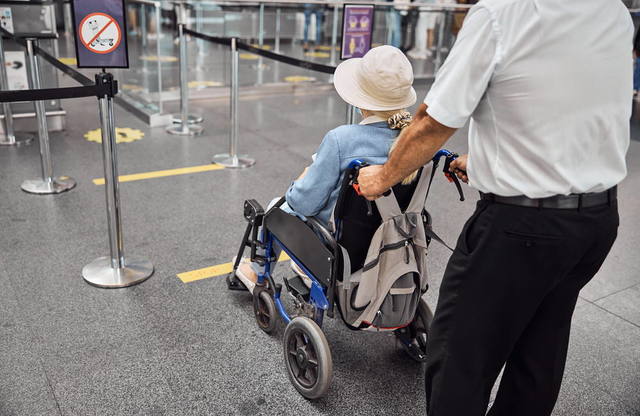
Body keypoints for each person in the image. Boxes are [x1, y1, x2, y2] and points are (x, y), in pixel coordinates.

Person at [356, 1, 632, 415]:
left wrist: (381, 178)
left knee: (460, 359)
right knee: (540, 353)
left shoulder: (501, 13)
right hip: (596, 219)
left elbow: (433, 122)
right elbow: (568, 100)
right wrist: (487, 163)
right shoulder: (611, 10)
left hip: (522, 231)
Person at [232, 46, 419, 292]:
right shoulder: (414, 142)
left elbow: (304, 204)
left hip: (335, 246)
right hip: (388, 243)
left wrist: (300, 182)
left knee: (276, 207)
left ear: (362, 100)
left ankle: (258, 273)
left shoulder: (342, 140)